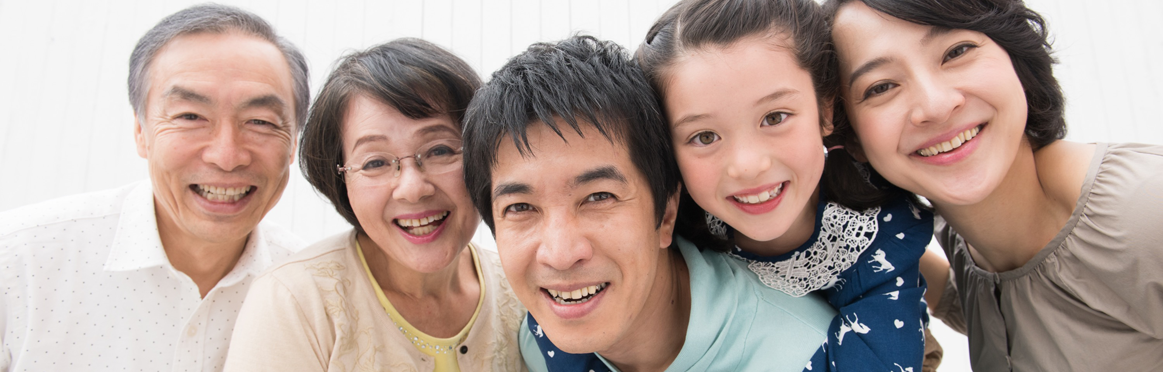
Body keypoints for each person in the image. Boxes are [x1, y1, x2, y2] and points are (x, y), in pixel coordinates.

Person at [461, 35, 836, 372]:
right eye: (521, 208)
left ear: (667, 212)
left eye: (598, 197)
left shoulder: (807, 356)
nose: (560, 255)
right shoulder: (538, 343)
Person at [825, 0, 1163, 370]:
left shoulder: (1143, 211)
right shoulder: (967, 239)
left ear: (1014, 54)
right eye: (882, 87)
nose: (936, 105)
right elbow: (998, 310)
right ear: (851, 138)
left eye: (956, 52)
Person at [0, 4, 308, 371]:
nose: (227, 156)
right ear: (140, 133)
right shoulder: (19, 264)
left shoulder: (318, 294)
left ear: (292, 145)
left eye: (259, 121)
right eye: (190, 117)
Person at [635, 0, 937, 371]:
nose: (747, 166)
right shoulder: (670, 219)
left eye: (774, 117)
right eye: (704, 136)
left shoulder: (878, 230)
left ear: (825, 111)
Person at [223, 38, 525, 372]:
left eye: (440, 150)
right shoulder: (294, 300)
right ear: (341, 181)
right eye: (375, 163)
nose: (412, 189)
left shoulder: (526, 286)